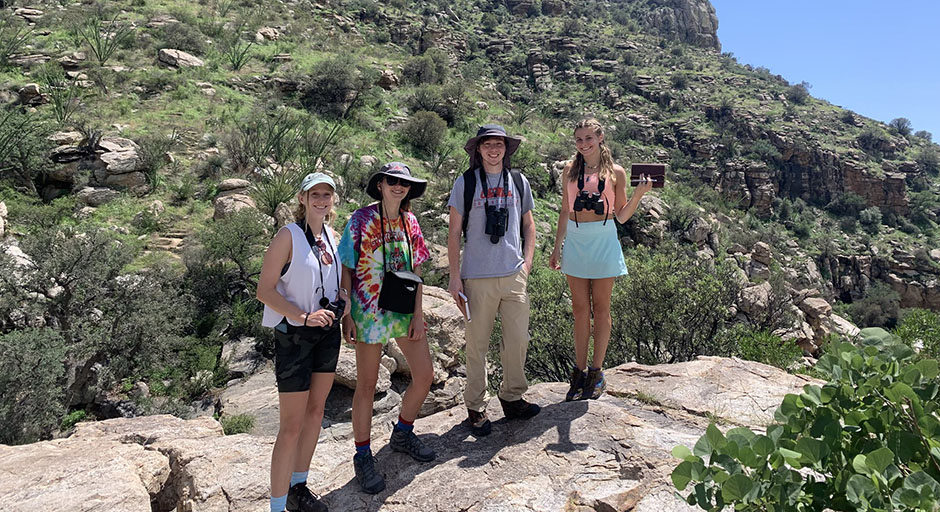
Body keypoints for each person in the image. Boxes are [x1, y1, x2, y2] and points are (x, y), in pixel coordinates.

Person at [338, 162, 435, 495]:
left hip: (402, 310)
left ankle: (402, 432)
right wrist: (347, 313)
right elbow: (347, 269)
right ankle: (363, 456)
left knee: (424, 375)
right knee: (365, 386)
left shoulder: (410, 222)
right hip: (367, 310)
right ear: (379, 184)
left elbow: (417, 269)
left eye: (404, 183)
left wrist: (418, 314)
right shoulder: (361, 219)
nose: (398, 186)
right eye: (392, 181)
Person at [257, 172, 346, 512]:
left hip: (326, 333)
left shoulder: (330, 235)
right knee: (291, 426)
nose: (322, 200)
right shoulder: (288, 235)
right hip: (294, 336)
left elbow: (330, 283)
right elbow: (264, 290)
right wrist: (302, 315)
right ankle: (276, 507)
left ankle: (298, 487)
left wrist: (343, 299)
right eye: (316, 194)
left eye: (327, 194)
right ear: (302, 198)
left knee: (315, 413)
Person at [549, 118, 653, 401]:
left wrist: (639, 195)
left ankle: (596, 372)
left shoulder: (616, 172)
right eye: (579, 140)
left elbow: (621, 215)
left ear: (600, 138)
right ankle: (578, 371)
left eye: (588, 138)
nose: (583, 144)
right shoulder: (570, 171)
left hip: (604, 239)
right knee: (580, 310)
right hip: (577, 238)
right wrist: (557, 247)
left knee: (602, 309)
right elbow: (564, 211)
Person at [447, 124, 540, 438]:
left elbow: (530, 225)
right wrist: (455, 277)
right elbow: (453, 232)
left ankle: (512, 396)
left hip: (513, 275)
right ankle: (476, 406)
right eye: (487, 144)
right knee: (477, 346)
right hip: (477, 277)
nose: (494, 149)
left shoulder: (518, 181)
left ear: (506, 149)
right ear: (478, 149)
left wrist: (526, 263)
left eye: (499, 144)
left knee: (518, 340)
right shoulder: (466, 183)